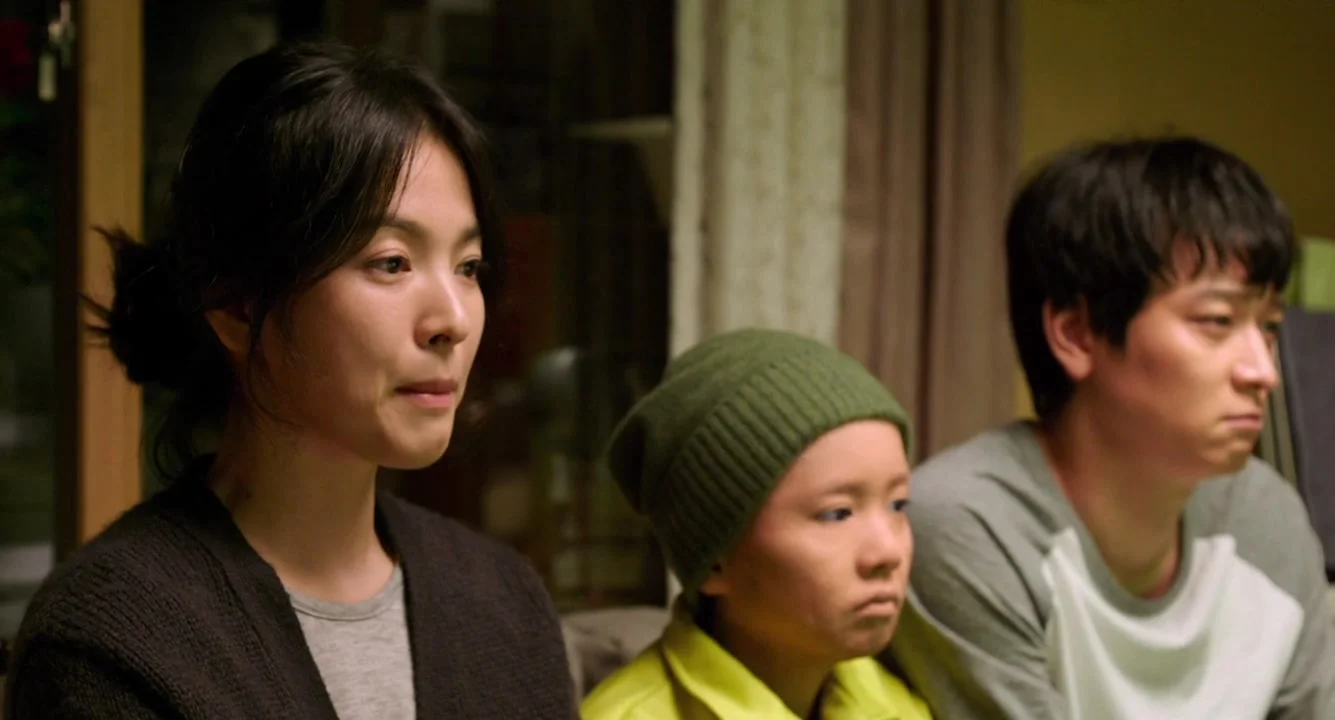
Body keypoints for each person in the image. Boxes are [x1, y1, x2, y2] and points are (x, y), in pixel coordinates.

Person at [4, 42, 574, 719]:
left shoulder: (504, 603)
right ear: (238, 307)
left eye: (468, 267)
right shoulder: (111, 641)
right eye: (392, 263)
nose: (451, 319)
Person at [884, 137, 1335, 719]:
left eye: (1268, 327)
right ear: (1076, 334)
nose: (1263, 372)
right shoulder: (970, 527)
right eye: (1218, 320)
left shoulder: (1265, 517)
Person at [582, 328, 931, 720]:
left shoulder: (890, 704)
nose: (888, 552)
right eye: (837, 514)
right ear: (715, 561)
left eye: (898, 505)